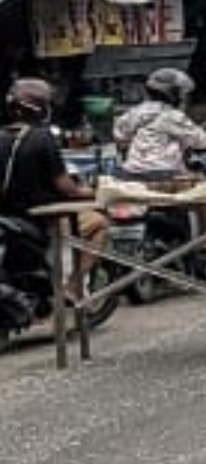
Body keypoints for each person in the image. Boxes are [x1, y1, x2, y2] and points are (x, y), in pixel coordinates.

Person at [0, 78, 108, 303]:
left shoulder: (2, 137)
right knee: (99, 223)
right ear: (42, 109)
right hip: (42, 219)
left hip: (9, 216)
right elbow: (67, 189)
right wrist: (97, 191)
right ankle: (73, 285)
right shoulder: (42, 138)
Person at [113, 68, 206, 181]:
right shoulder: (173, 116)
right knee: (202, 165)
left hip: (131, 172)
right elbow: (202, 142)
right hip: (165, 172)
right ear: (173, 94)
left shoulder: (136, 111)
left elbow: (119, 134)